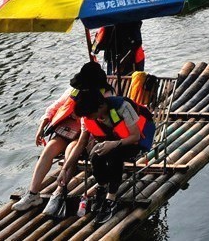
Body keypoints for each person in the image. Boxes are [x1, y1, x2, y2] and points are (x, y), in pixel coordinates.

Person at [12, 61, 111, 214]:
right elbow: (54, 107)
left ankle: (58, 193)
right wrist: (41, 127)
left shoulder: (106, 95)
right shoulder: (74, 91)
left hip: (87, 135)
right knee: (49, 149)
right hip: (68, 130)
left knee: (70, 151)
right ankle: (33, 194)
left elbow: (104, 123)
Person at [62, 91, 156, 225]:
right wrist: (64, 169)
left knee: (114, 156)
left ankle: (111, 198)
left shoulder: (123, 107)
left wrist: (114, 144)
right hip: (111, 141)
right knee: (95, 156)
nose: (89, 118)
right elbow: (81, 143)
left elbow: (135, 136)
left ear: (100, 107)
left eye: (90, 115)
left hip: (135, 142)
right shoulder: (89, 115)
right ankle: (102, 186)